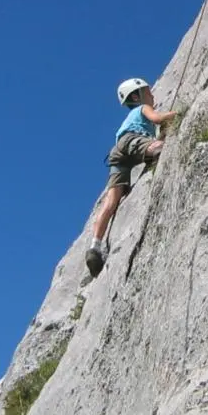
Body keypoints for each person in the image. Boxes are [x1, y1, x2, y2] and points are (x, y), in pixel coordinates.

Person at [85, 77, 177, 277]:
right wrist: (178, 114)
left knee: (111, 201)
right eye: (148, 91)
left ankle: (94, 246)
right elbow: (157, 119)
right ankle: (156, 151)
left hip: (117, 153)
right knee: (158, 148)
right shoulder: (143, 108)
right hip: (131, 140)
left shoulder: (130, 118)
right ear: (137, 97)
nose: (152, 94)